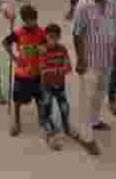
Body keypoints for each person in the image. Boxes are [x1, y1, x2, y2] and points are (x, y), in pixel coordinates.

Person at [72, 0, 116, 156]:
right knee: (87, 98)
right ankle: (87, 137)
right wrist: (80, 59)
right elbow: (77, 34)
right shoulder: (83, 5)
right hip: (90, 61)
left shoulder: (113, 5)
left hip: (107, 59)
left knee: (100, 93)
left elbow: (115, 31)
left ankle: (95, 121)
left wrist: (115, 54)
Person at [3, 4, 46, 137]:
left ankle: (43, 120)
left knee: (40, 98)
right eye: (29, 20)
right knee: (18, 100)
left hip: (37, 72)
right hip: (22, 73)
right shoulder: (18, 33)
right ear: (24, 20)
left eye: (34, 20)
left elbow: (47, 44)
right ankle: (16, 122)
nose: (32, 22)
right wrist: (14, 57)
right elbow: (5, 43)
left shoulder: (41, 32)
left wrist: (45, 51)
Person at [38, 22, 75, 150]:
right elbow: (43, 70)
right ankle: (49, 135)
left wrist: (55, 70)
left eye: (55, 37)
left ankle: (66, 127)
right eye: (50, 37)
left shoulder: (62, 49)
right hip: (47, 87)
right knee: (47, 109)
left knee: (65, 108)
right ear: (46, 37)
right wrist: (60, 69)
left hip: (60, 86)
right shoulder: (42, 51)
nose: (52, 40)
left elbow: (69, 67)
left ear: (59, 37)